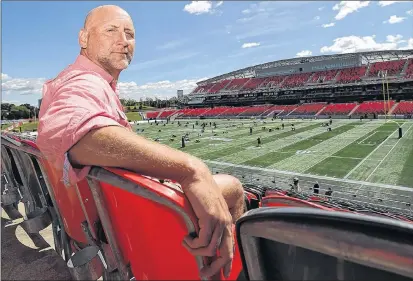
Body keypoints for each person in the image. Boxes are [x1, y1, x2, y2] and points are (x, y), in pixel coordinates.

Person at [36, 5, 244, 279]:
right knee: (235, 188)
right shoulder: (84, 81)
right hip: (126, 224)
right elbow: (69, 131)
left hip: (102, 220)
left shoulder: (93, 82)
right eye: (110, 30)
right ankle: (236, 270)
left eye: (129, 34)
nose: (123, 41)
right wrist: (190, 168)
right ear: (84, 39)